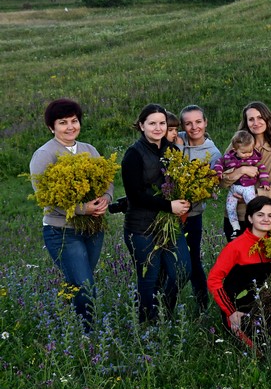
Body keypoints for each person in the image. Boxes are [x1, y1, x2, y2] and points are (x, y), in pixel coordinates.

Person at [30, 99, 113, 327]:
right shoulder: (44, 155)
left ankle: (68, 325)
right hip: (62, 231)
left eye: (74, 121)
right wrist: (81, 209)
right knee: (85, 284)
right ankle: (90, 334)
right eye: (63, 122)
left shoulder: (89, 150)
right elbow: (45, 197)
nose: (70, 127)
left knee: (77, 282)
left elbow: (107, 180)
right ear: (51, 127)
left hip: (93, 228)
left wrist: (105, 199)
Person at [121, 103, 191, 322]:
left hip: (169, 224)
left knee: (182, 271)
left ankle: (164, 311)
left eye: (162, 123)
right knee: (149, 278)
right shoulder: (133, 154)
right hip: (141, 227)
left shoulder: (173, 151)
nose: (158, 128)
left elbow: (179, 183)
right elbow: (135, 196)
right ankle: (148, 324)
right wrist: (169, 206)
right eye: (152, 123)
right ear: (142, 125)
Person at [220, 102, 271, 240]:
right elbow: (222, 182)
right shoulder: (236, 145)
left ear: (267, 119)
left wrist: (254, 195)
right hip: (239, 216)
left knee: (266, 260)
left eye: (260, 118)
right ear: (246, 123)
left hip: (267, 217)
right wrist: (242, 170)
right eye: (251, 119)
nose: (256, 122)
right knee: (238, 260)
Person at [207, 196, 271, 333]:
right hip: (239, 310)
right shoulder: (236, 247)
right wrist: (231, 312)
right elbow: (213, 280)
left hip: (267, 307)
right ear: (250, 218)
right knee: (256, 351)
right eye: (260, 215)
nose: (266, 219)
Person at [178, 104, 222, 312]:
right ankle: (162, 304)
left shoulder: (213, 153)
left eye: (198, 122)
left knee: (192, 259)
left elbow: (209, 186)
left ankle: (202, 304)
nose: (194, 127)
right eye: (188, 123)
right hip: (166, 211)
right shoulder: (176, 140)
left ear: (205, 122)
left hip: (192, 214)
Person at [214, 130, 271, 240]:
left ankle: (253, 225)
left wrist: (264, 182)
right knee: (230, 207)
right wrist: (219, 172)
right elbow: (219, 163)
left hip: (248, 188)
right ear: (235, 150)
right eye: (244, 153)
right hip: (234, 188)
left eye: (250, 151)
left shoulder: (253, 159)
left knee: (252, 206)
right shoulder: (229, 158)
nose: (247, 155)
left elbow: (262, 168)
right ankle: (235, 227)